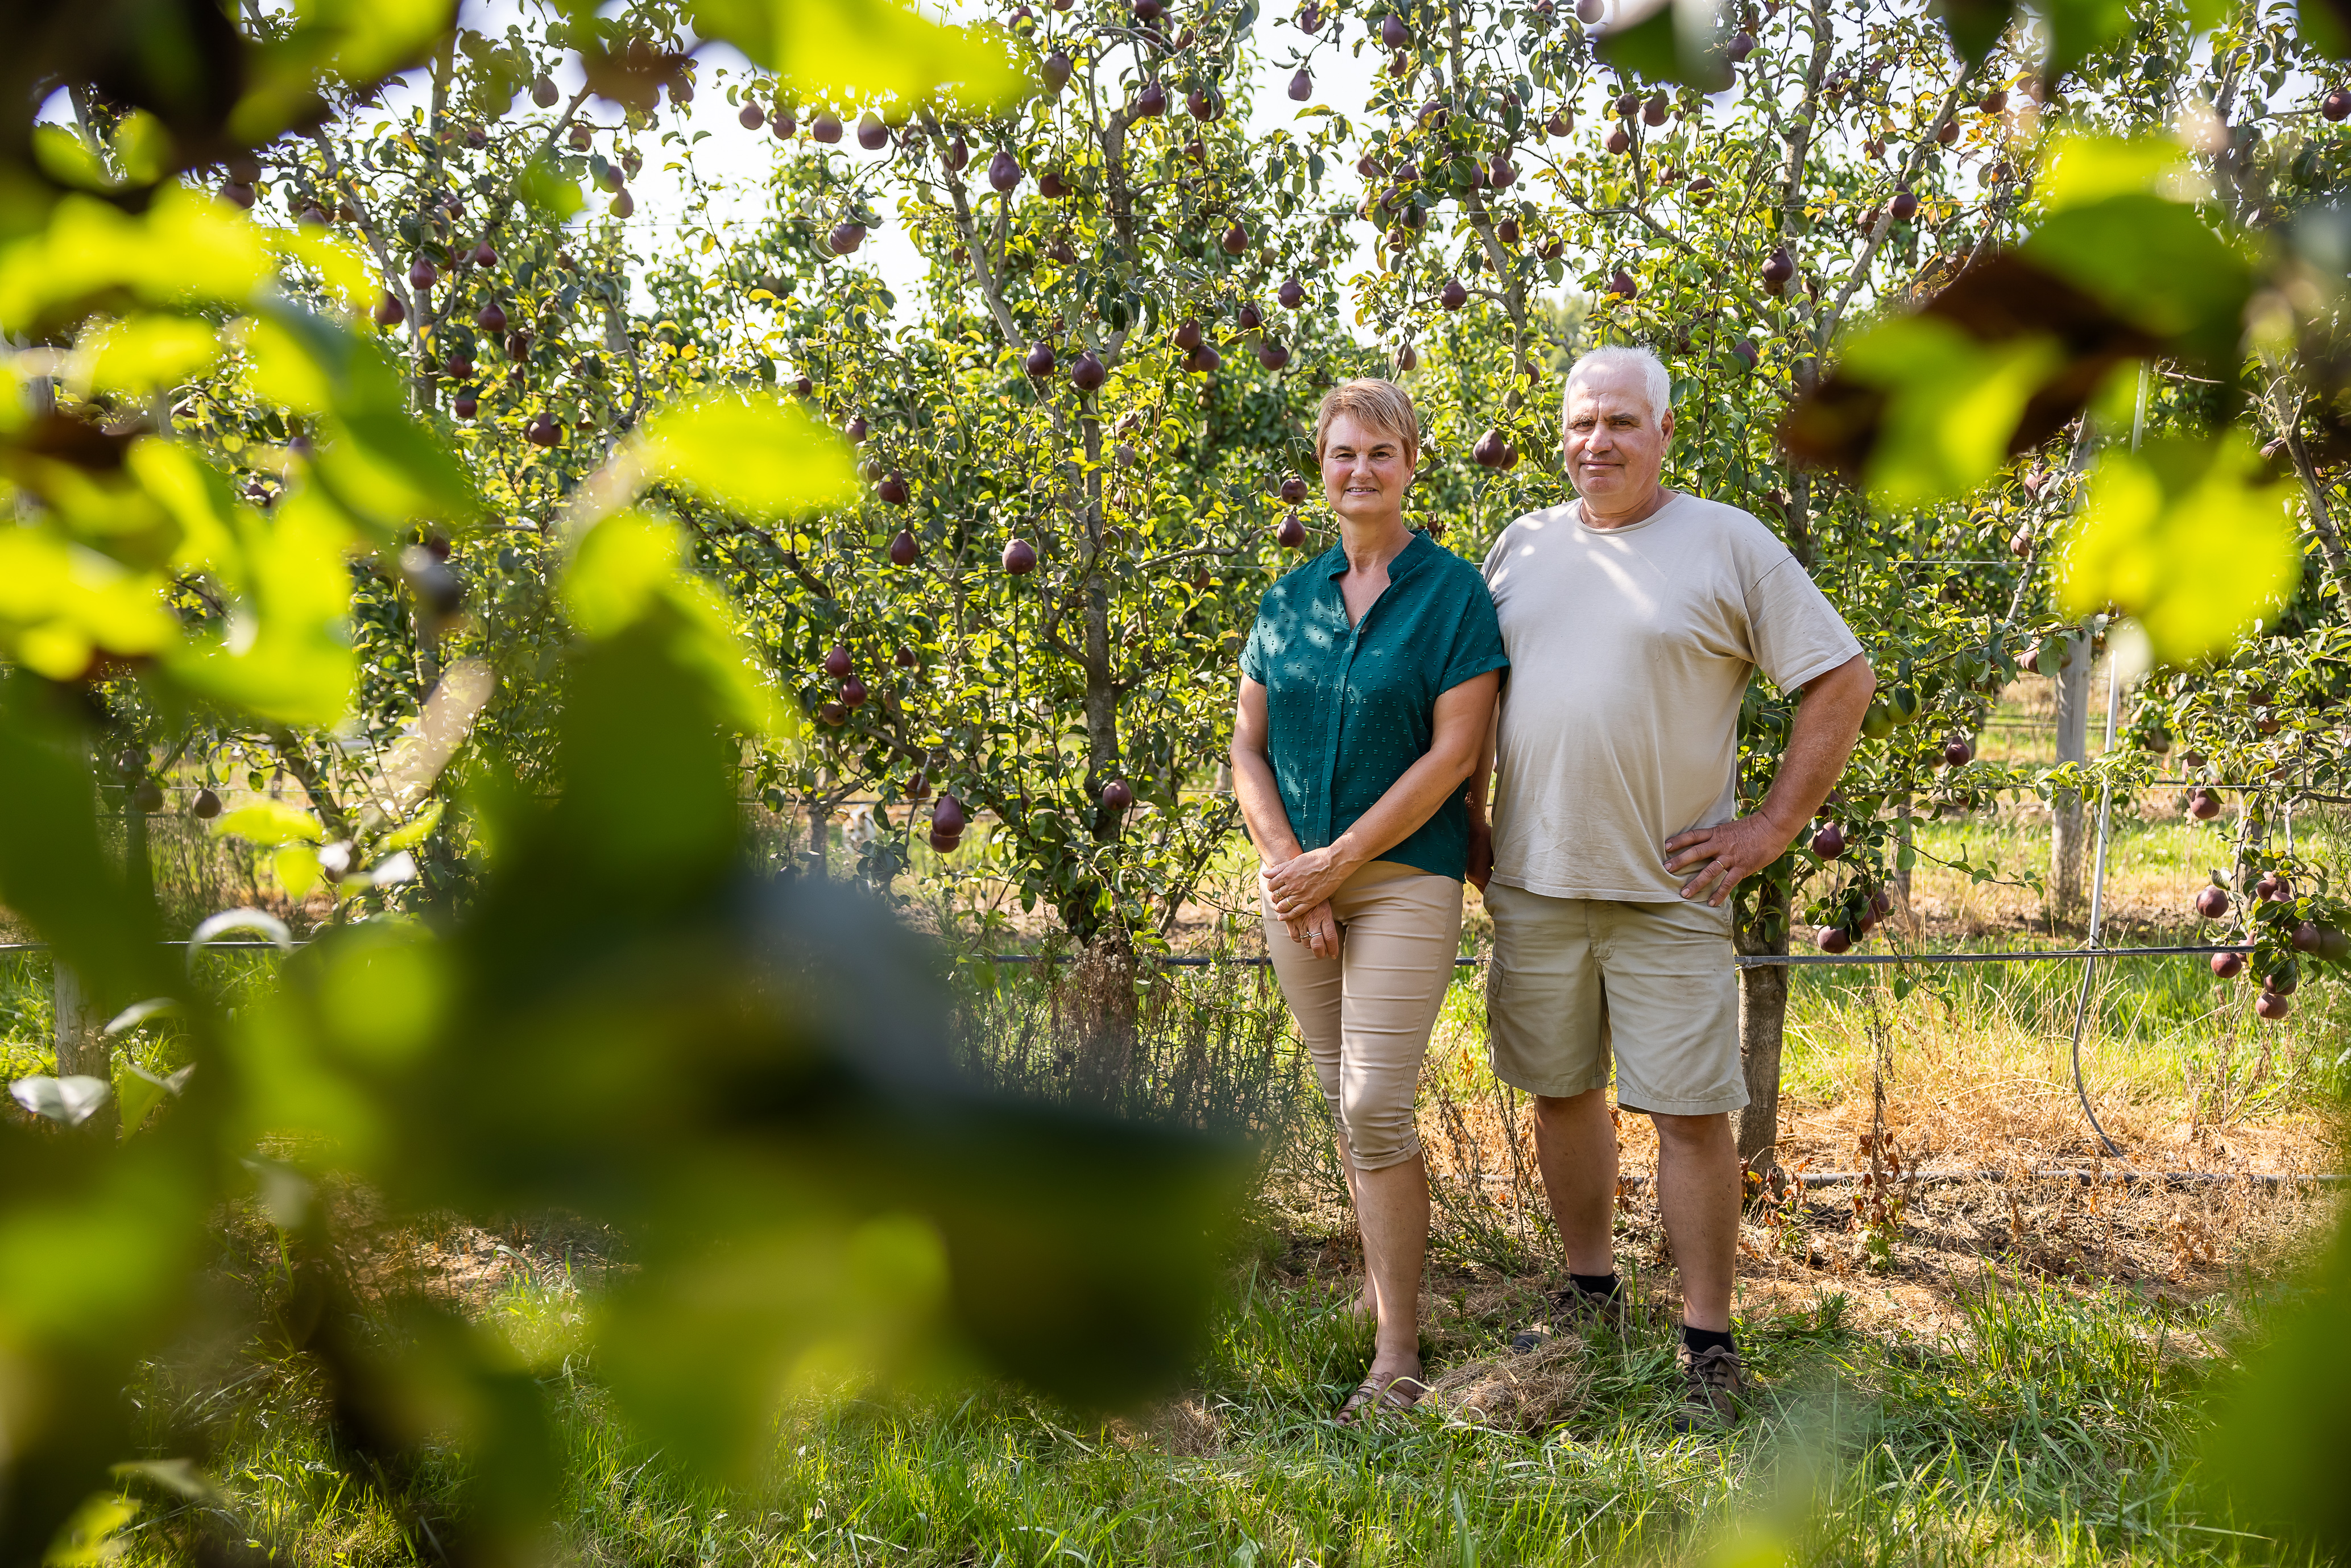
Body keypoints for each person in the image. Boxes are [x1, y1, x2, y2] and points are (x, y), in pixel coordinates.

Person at [1468, 345, 1873, 1431]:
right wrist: (1470, 815)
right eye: (1579, 422)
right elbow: (1478, 695)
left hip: (1670, 889)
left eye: (1619, 422)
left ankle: (1707, 1340)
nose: (1595, 441)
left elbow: (1842, 676)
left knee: (1691, 1112)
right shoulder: (1520, 545)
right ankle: (1588, 1296)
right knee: (1560, 1091)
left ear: (1663, 432)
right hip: (1535, 880)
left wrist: (1772, 825)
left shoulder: (1725, 542)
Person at [1231, 379, 1507, 1422]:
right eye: (1343, 452)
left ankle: (1398, 1349)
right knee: (1343, 1101)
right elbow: (1246, 748)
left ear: (1410, 465)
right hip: (1297, 888)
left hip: (1400, 880)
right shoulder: (1286, 601)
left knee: (1372, 1105)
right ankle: (1380, 1290)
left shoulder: (1453, 594)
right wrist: (1289, 869)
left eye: (1381, 453)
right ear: (1321, 466)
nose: (1361, 470)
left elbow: (1453, 756)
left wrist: (1336, 863)